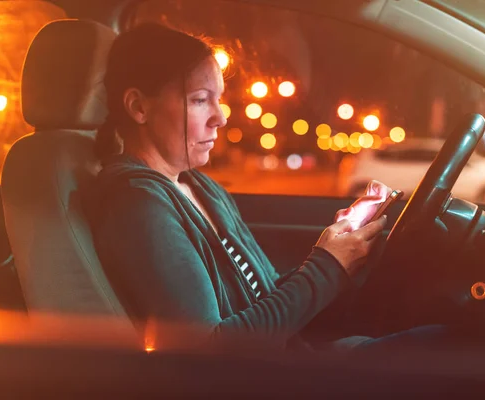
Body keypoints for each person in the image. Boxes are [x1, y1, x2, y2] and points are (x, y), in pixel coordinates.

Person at [85, 23, 424, 353]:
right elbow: (207, 349)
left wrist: (346, 256)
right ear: (139, 107)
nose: (220, 117)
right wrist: (328, 267)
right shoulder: (138, 205)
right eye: (200, 100)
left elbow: (264, 292)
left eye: (218, 99)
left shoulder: (196, 185)